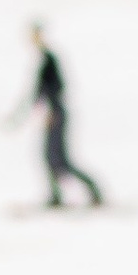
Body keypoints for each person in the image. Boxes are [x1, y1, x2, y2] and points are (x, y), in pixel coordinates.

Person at [11, 25, 103, 210]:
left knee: (59, 159)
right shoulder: (43, 59)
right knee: (51, 158)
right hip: (52, 112)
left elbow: (56, 88)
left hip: (56, 113)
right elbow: (36, 95)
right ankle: (56, 195)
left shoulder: (49, 59)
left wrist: (51, 110)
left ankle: (92, 191)